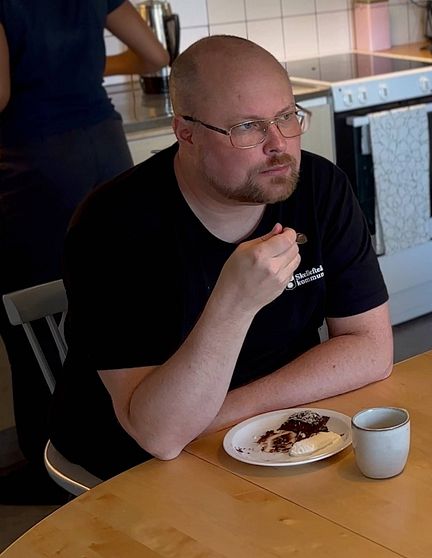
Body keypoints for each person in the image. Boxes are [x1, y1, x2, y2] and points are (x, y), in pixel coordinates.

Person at [50, 35, 394, 479]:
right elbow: (160, 435)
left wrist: (227, 412)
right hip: (133, 468)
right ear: (185, 132)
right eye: (247, 127)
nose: (278, 145)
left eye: (287, 117)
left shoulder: (320, 186)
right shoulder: (113, 226)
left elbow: (372, 349)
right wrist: (235, 302)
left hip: (272, 434)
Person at [0, 1, 168, 500]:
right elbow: (154, 55)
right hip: (105, 149)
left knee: (30, 322)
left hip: (36, 162)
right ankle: (123, 436)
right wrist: (85, 70)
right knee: (115, 305)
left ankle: (52, 464)